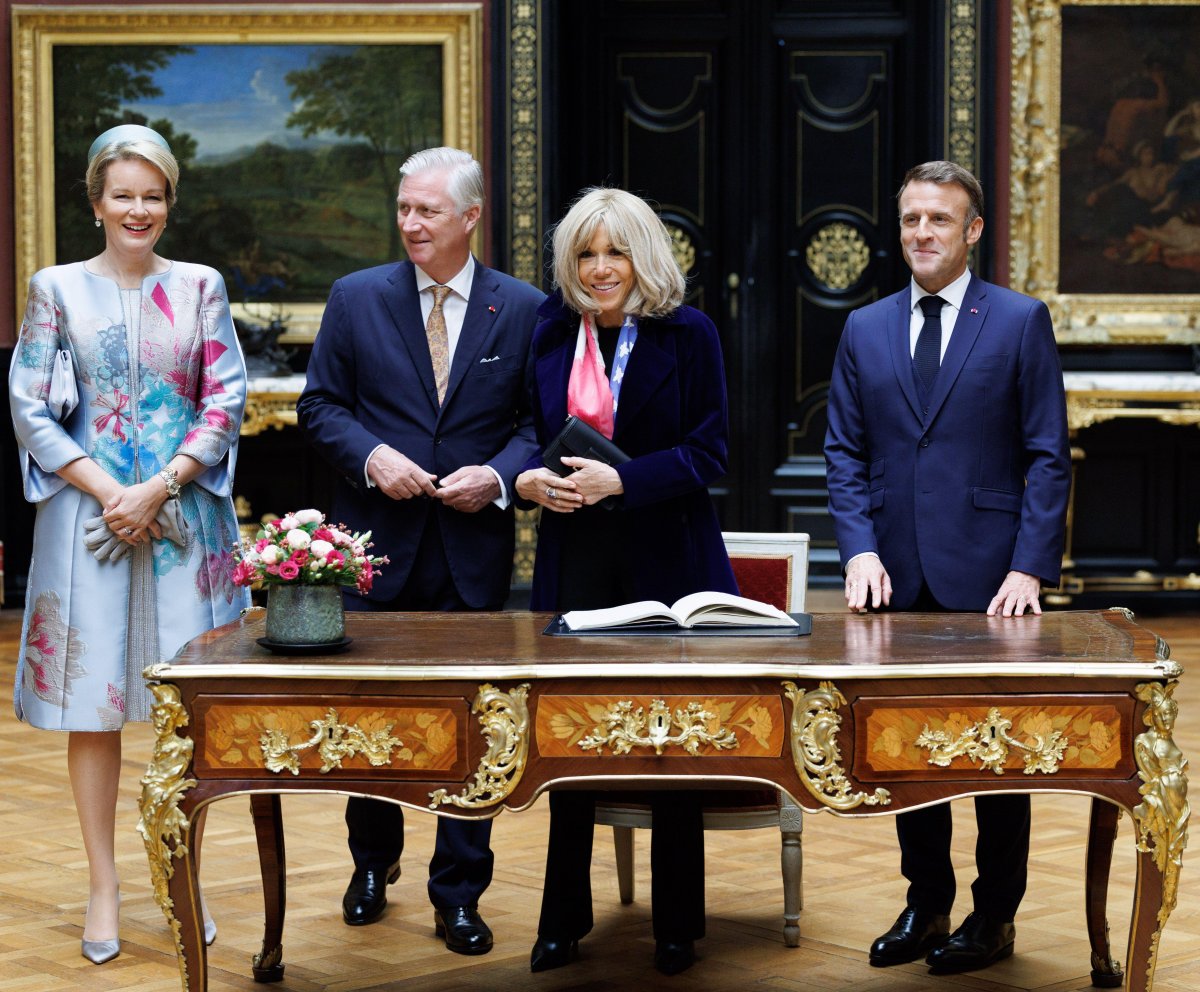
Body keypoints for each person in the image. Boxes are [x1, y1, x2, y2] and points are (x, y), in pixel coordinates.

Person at [8, 124, 250, 964]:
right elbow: (31, 407)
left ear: (169, 202)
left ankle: (182, 877)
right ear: (96, 199)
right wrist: (113, 491)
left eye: (152, 195)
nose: (137, 209)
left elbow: (225, 399)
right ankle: (103, 883)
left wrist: (162, 485)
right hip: (87, 521)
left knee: (190, 711)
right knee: (94, 709)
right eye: (123, 194)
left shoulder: (201, 287)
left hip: (184, 519)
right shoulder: (55, 289)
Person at [824, 161, 1071, 975]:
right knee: (906, 751)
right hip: (894, 579)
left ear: (972, 232)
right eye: (910, 221)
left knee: (1001, 754)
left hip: (995, 583)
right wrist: (858, 548)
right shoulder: (864, 328)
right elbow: (845, 454)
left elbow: (1047, 456)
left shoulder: (1018, 321)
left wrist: (1031, 568)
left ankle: (993, 916)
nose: (921, 234)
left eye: (938, 220)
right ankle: (926, 903)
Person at [296, 147, 543, 955]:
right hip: (376, 547)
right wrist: (372, 458)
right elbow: (321, 406)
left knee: (474, 722)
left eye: (427, 211)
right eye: (403, 209)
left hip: (472, 550)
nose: (410, 224)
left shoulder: (526, 308)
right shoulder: (357, 298)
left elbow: (535, 426)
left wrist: (500, 476)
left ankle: (459, 892)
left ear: (470, 218)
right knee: (374, 716)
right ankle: (372, 866)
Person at [514, 187, 738, 976]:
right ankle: (561, 919)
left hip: (668, 557)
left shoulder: (690, 333)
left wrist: (625, 483)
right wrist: (530, 481)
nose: (600, 268)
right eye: (585, 253)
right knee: (571, 740)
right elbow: (522, 436)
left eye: (615, 251)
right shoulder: (547, 327)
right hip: (576, 557)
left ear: (644, 256)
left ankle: (678, 924)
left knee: (670, 743)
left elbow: (711, 453)